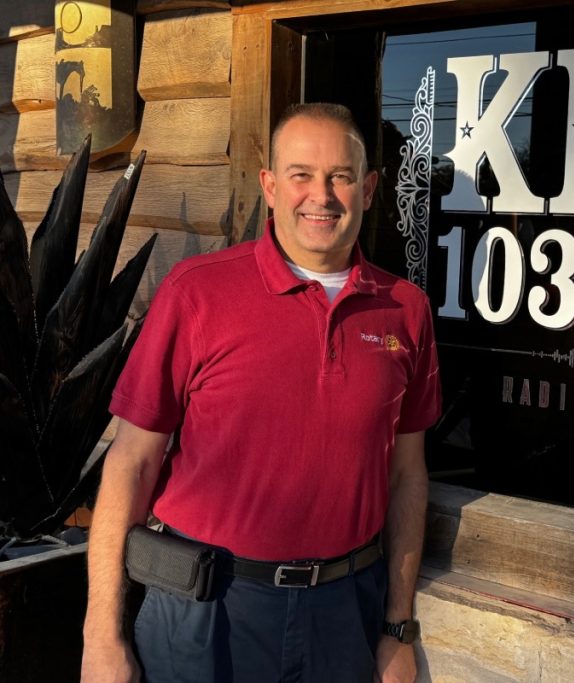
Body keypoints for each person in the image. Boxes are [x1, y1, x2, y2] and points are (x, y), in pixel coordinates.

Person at [80, 103, 441, 683]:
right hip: (204, 611)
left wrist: (398, 628)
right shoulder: (197, 294)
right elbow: (132, 461)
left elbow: (407, 475)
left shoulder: (406, 311)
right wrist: (101, 634)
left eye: (340, 176)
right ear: (270, 187)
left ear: (369, 189)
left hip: (343, 614)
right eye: (300, 175)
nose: (320, 195)